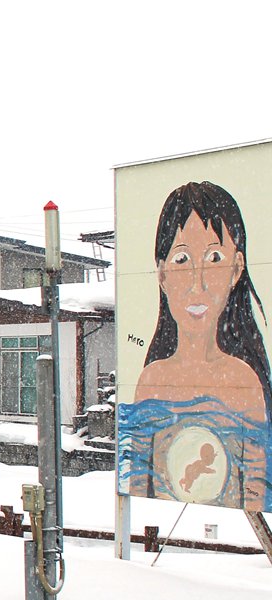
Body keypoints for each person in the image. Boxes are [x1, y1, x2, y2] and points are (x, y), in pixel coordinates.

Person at [122, 181, 271, 509]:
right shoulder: (151, 382)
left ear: (237, 268)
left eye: (214, 257)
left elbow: (258, 490)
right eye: (181, 259)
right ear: (161, 274)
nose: (197, 283)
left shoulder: (245, 381)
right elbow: (138, 481)